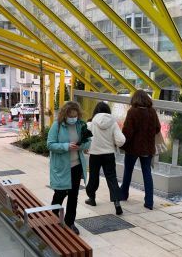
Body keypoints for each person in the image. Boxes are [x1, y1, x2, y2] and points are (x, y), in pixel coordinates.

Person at [47, 101, 90, 235]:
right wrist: (66, 146)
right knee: (60, 194)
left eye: (75, 115)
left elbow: (88, 142)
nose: (73, 118)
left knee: (73, 195)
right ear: (65, 115)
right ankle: (52, 220)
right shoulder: (57, 126)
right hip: (62, 167)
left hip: (76, 166)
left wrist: (80, 146)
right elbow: (50, 144)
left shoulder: (80, 125)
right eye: (71, 115)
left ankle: (70, 222)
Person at [120, 90, 161, 209]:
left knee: (128, 171)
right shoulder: (152, 112)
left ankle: (123, 194)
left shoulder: (132, 112)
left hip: (133, 148)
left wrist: (122, 144)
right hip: (148, 148)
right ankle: (149, 202)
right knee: (147, 173)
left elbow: (127, 131)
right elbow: (157, 128)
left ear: (135, 99)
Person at [85, 102, 126, 215]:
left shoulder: (91, 123)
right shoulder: (113, 123)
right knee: (111, 178)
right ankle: (117, 202)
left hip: (94, 154)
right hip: (109, 155)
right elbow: (121, 140)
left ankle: (92, 199)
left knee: (93, 176)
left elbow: (84, 137)